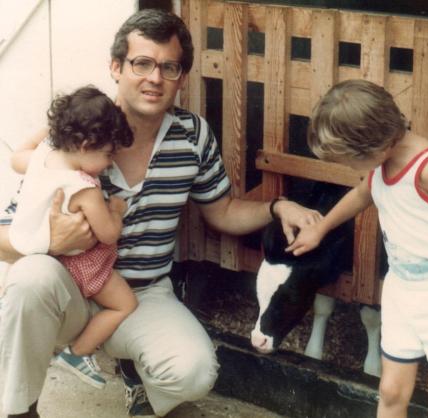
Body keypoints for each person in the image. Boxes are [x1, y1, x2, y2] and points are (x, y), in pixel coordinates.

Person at [0, 9, 321, 418]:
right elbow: (4, 235)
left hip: (142, 294)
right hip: (69, 292)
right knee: (29, 278)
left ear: (181, 78)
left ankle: (140, 383)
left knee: (195, 371)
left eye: (169, 67)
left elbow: (221, 210)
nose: (155, 78)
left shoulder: (193, 134)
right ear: (116, 67)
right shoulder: (82, 129)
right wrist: (53, 240)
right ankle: (19, 408)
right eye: (142, 63)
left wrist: (278, 207)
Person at [286, 79, 428, 418]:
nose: (350, 168)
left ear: (372, 143)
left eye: (349, 160)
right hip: (402, 291)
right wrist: (321, 229)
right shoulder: (381, 165)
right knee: (391, 388)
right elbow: (361, 195)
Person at [9, 86, 138, 390]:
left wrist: (56, 127)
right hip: (85, 264)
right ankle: (77, 354)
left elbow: (16, 157)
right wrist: (117, 211)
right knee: (124, 305)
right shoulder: (84, 187)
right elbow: (107, 234)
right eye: (107, 154)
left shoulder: (42, 157)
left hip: (53, 262)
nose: (109, 163)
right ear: (84, 144)